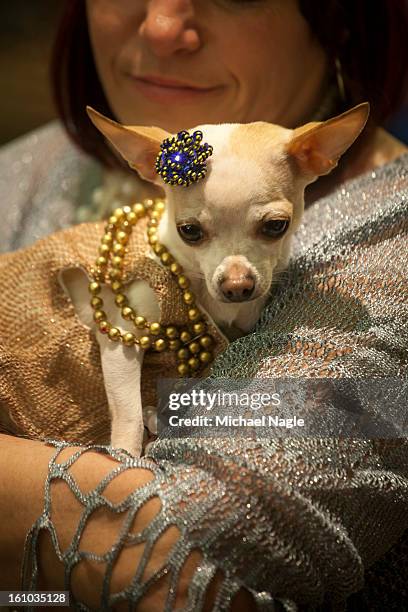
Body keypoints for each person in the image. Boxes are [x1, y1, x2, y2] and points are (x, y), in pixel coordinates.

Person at [0, 0, 407, 609]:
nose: (162, 27)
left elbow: (209, 556)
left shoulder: (386, 255)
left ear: (340, 13)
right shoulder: (29, 168)